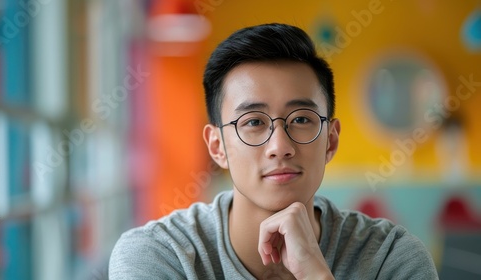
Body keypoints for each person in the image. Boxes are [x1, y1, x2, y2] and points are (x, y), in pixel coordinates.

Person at [109, 23, 438, 279]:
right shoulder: (158, 254)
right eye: (253, 122)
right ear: (217, 146)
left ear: (331, 140)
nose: (280, 146)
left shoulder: (392, 259)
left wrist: (315, 273)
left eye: (300, 119)